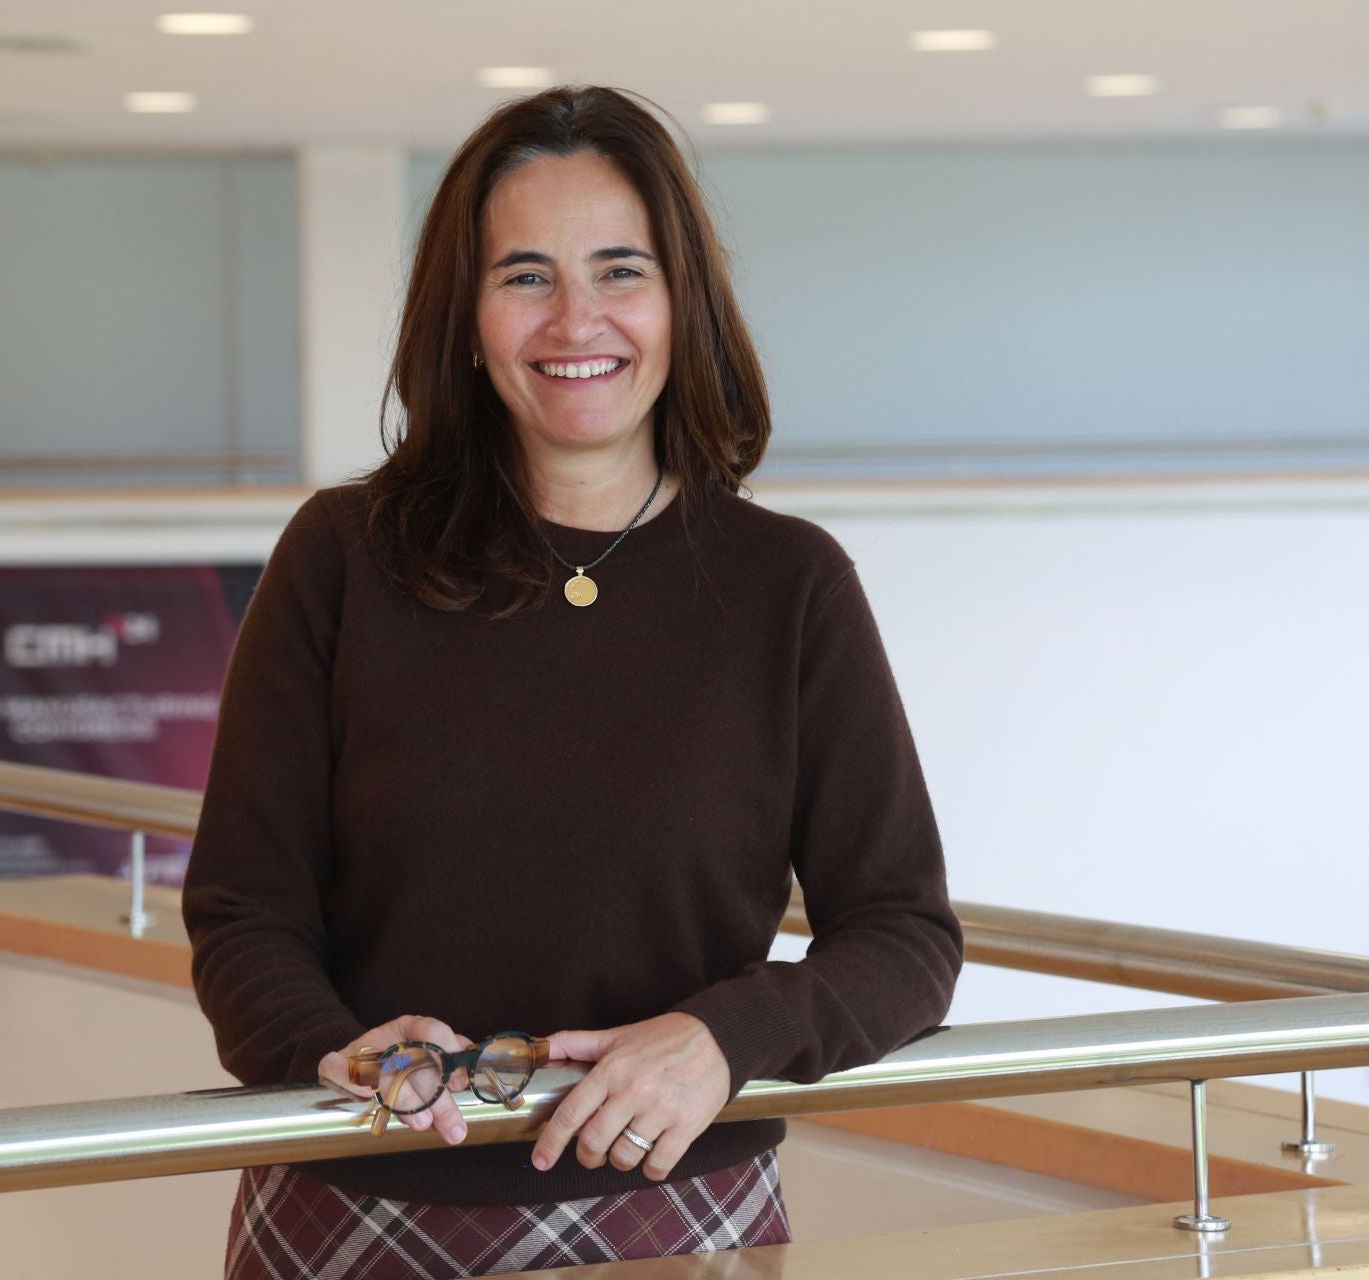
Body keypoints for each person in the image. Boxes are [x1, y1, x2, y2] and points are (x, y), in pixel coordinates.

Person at [182, 84, 964, 1280]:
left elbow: (905, 934)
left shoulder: (787, 582)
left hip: (674, 1209)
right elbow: (244, 910)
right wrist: (321, 1048)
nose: (575, 318)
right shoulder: (341, 554)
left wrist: (724, 1035)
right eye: (526, 275)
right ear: (467, 315)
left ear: (680, 299)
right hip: (353, 1194)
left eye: (618, 269)